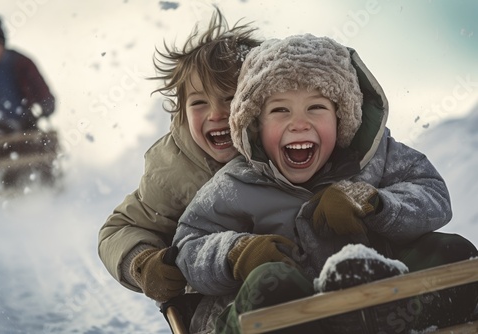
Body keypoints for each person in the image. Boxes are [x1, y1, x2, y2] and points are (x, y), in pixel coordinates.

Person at [172, 34, 478, 333]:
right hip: (281, 315)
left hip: (380, 289)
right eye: (280, 110)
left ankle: (382, 315)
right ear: (255, 124)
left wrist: (373, 201)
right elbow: (189, 242)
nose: (299, 123)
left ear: (341, 117)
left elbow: (431, 193)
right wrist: (237, 252)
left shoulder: (375, 158)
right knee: (272, 279)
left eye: (316, 107)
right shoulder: (236, 183)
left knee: (452, 250)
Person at [97, 8, 261, 333]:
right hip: (215, 301)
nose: (215, 113)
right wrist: (143, 264)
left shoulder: (280, 144)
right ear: (182, 112)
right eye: (199, 102)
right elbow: (119, 229)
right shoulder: (173, 168)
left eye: (229, 98)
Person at [0, 16, 55, 134]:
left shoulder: (21, 63)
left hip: (25, 121)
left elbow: (39, 86)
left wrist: (45, 103)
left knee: (34, 143)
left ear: (3, 44)